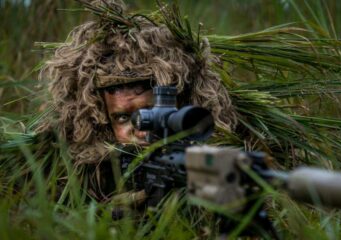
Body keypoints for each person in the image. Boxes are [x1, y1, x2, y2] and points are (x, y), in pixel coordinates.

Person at [35, 0, 237, 201]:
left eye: (151, 111)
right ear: (101, 123)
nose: (142, 130)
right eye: (122, 118)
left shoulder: (211, 163)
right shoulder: (84, 174)